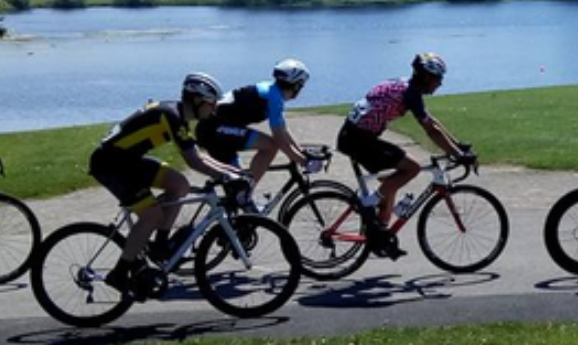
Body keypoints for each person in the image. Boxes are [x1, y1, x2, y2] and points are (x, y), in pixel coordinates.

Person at [90, 73, 248, 297]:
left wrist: (232, 171)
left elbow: (198, 154)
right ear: (197, 100)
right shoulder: (171, 116)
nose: (214, 110)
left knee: (179, 184)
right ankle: (119, 272)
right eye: (211, 104)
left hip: (128, 159)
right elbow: (193, 161)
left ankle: (159, 245)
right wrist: (227, 177)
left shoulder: (177, 114)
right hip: (111, 165)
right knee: (151, 216)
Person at [337, 52, 474, 259]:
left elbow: (431, 121)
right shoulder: (411, 94)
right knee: (412, 168)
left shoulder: (405, 86)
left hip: (355, 135)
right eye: (439, 79)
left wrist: (456, 145)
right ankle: (369, 204)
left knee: (393, 178)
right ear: (427, 77)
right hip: (359, 140)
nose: (440, 84)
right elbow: (431, 131)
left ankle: (380, 233)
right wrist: (457, 154)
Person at [196, 59, 321, 194]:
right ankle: (246, 193)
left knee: (237, 184)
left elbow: (283, 130)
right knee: (271, 146)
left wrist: (301, 152)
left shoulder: (272, 91)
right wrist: (303, 161)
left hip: (215, 128)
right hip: (213, 129)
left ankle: (243, 195)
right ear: (297, 86)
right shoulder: (274, 97)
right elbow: (279, 138)